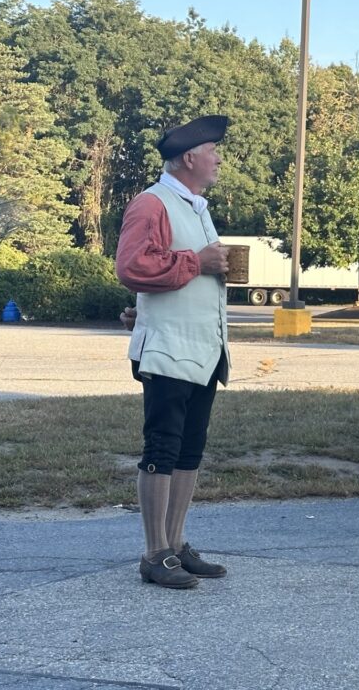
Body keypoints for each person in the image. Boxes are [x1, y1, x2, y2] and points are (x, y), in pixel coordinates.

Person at [115, 115, 232, 589]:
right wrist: (198, 262)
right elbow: (132, 265)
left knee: (189, 448)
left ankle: (176, 544)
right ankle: (154, 553)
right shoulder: (152, 203)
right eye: (213, 151)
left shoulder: (194, 205)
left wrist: (208, 269)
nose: (219, 158)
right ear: (190, 158)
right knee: (162, 448)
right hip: (168, 349)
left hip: (201, 349)